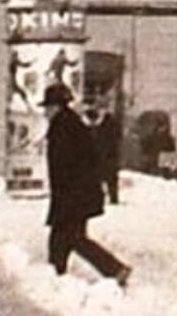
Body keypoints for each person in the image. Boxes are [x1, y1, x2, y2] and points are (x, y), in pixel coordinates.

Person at [40, 83, 131, 286]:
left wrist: (66, 196)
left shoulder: (63, 126)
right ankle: (56, 275)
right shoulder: (69, 123)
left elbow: (67, 165)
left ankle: (114, 270)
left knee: (70, 238)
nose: (45, 112)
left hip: (74, 195)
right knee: (65, 237)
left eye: (48, 107)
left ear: (56, 106)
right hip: (77, 194)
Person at [85, 101, 121, 205]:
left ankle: (112, 197)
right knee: (97, 176)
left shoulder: (110, 122)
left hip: (108, 155)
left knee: (109, 176)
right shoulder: (92, 123)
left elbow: (116, 137)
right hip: (98, 155)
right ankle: (98, 197)